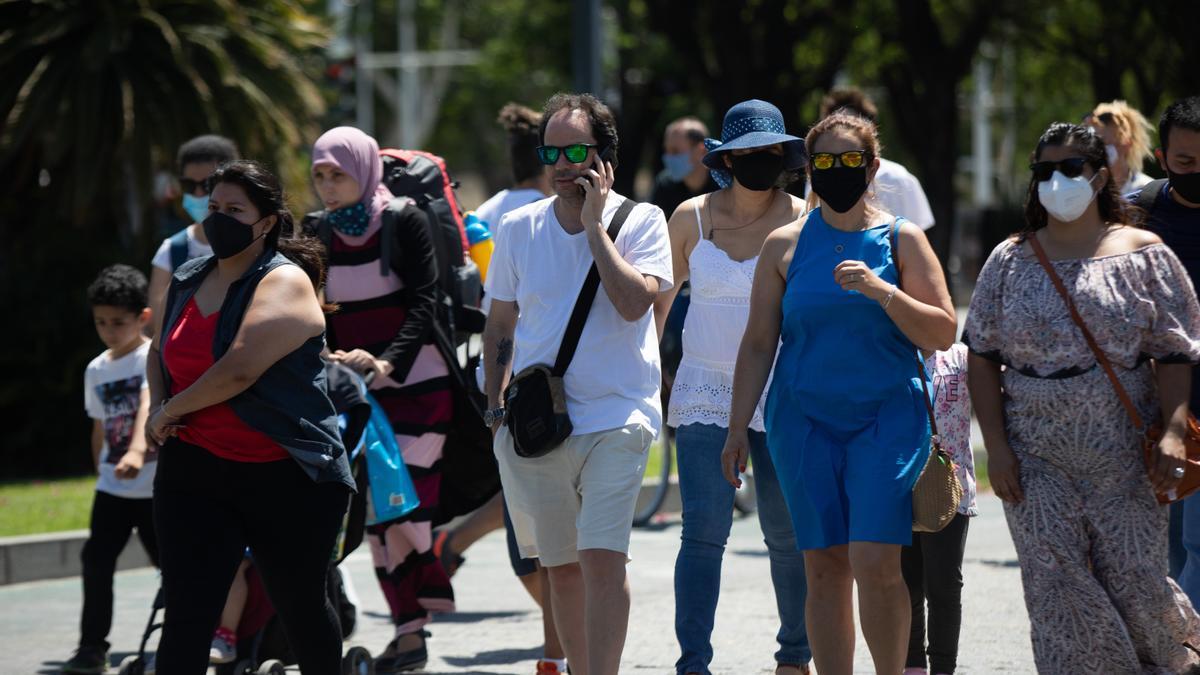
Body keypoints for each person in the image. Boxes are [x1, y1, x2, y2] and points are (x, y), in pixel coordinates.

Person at [723, 110, 956, 675]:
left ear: (872, 166)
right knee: (824, 567)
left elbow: (943, 331)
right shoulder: (783, 244)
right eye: (823, 161)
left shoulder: (903, 238)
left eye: (850, 160)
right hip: (803, 421)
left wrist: (883, 291)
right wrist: (735, 428)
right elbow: (758, 344)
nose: (836, 170)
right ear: (808, 168)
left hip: (886, 420)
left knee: (876, 561)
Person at [964, 122, 1200, 673]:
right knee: (1057, 586)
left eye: (1071, 168)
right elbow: (981, 355)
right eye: (1046, 170)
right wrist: (996, 447)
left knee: (1139, 584)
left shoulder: (1143, 253)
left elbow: (1173, 352)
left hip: (1122, 458)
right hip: (1035, 457)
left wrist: (1172, 428)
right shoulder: (1009, 258)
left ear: (1098, 177)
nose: (1057, 180)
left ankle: (1178, 661)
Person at [483, 92, 672, 675]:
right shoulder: (517, 228)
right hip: (539, 422)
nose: (563, 163)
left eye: (576, 150)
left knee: (601, 560)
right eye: (552, 151)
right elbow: (500, 325)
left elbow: (635, 303)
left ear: (605, 155)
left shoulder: (642, 220)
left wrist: (595, 230)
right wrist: (495, 411)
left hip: (619, 417)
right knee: (561, 567)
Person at [146, 160, 354, 674]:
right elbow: (159, 350)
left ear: (265, 222)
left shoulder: (286, 281)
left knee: (300, 605)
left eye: (234, 210)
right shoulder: (190, 277)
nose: (219, 218)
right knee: (187, 614)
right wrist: (157, 406)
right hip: (195, 471)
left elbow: (237, 370)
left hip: (284, 474)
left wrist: (171, 409)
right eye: (213, 208)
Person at [651, 99, 811, 675]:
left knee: (786, 535)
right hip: (704, 393)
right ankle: (693, 663)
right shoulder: (690, 217)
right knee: (702, 536)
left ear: (784, 156)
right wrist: (650, 380)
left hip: (784, 393)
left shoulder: (807, 215)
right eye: (747, 153)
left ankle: (795, 655)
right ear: (726, 157)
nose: (759, 161)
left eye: (770, 152)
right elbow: (658, 312)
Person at [304, 126, 456, 673]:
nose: (327, 186)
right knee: (374, 517)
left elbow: (424, 302)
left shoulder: (403, 220)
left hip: (420, 387)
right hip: (356, 397)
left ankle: (424, 598)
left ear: (362, 170)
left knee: (407, 508)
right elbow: (309, 312)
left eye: (337, 174)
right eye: (319, 175)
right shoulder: (314, 231)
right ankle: (410, 633)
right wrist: (330, 358)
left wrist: (386, 360)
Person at [432, 102, 567, 675]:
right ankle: (566, 637)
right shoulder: (546, 214)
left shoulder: (486, 212)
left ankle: (560, 638)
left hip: (494, 383)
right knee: (533, 532)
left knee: (526, 515)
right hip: (539, 382)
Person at [61, 265, 157, 675]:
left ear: (143, 317)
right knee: (96, 562)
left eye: (119, 322)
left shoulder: (150, 356)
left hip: (155, 487)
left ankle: (184, 638)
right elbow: (99, 427)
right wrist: (102, 467)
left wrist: (137, 452)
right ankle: (91, 648)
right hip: (113, 490)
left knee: (174, 566)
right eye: (101, 322)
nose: (109, 331)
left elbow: (150, 406)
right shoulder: (97, 369)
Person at [1132, 95, 1200, 609]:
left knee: (1197, 545)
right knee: (1169, 546)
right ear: (1162, 157)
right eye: (1186, 163)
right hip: (1153, 404)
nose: (1198, 172)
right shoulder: (1138, 212)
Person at [901, 343, 978, 675]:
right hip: (898, 485)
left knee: (944, 584)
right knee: (906, 584)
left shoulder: (961, 356)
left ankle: (944, 669)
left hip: (951, 487)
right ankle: (913, 666)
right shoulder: (891, 349)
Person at [147, 135, 239, 331]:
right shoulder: (171, 250)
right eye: (189, 185)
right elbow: (157, 323)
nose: (198, 194)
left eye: (207, 185)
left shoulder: (255, 245)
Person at [815, 88, 935, 231]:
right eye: (835, 124)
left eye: (851, 124)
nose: (842, 131)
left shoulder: (899, 177)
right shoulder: (817, 179)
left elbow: (918, 233)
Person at [650, 116, 719, 219]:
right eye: (666, 150)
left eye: (675, 151)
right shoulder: (664, 184)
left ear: (701, 151)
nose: (668, 157)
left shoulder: (723, 184)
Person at [1088, 99, 1156, 194]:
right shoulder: (1088, 191)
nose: (1099, 150)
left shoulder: (1147, 189)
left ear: (1127, 143)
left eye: (1105, 142)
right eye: (1095, 143)